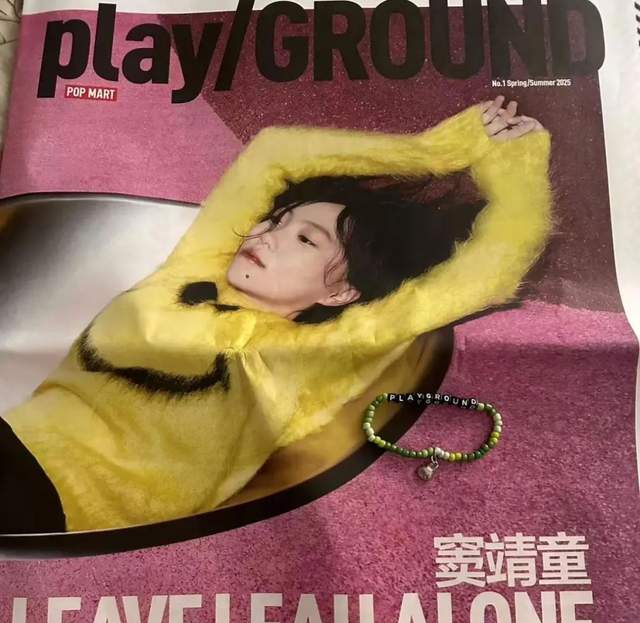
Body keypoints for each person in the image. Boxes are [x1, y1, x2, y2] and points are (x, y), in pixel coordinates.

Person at [0, 96, 552, 533]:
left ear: (340, 293)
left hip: (59, 511)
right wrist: (431, 151)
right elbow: (275, 152)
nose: (265, 236)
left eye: (305, 240)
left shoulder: (306, 358)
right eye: (275, 221)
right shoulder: (189, 275)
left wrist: (518, 164)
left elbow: (487, 275)